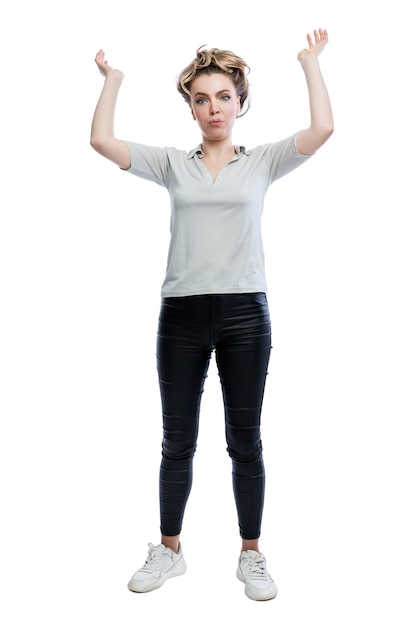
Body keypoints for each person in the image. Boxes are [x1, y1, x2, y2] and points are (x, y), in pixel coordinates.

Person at [90, 29, 333, 601]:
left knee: (244, 440)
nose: (213, 108)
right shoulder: (174, 164)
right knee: (177, 440)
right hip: (180, 317)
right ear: (191, 108)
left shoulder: (265, 161)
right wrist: (114, 81)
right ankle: (168, 550)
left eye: (223, 96)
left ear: (240, 101)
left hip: (246, 314)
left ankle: (251, 554)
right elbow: (101, 141)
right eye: (201, 99)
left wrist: (308, 63)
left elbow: (322, 130)